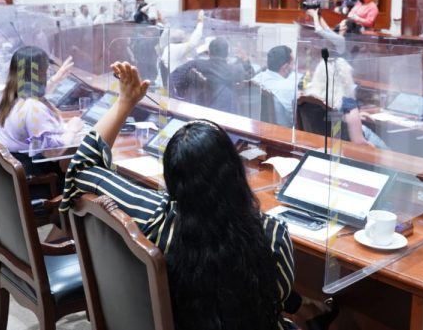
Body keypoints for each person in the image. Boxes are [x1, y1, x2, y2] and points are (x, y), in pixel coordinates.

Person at [59, 62, 298, 330]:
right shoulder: (273, 235)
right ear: (235, 172)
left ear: (171, 179)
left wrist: (125, 102)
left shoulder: (154, 217)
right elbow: (277, 299)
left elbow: (82, 167)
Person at [0, 46, 84, 189]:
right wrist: (72, 129)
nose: (48, 72)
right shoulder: (34, 109)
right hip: (40, 181)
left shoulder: (6, 96)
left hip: (12, 176)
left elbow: (31, 95)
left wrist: (56, 79)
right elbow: (52, 152)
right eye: (46, 69)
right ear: (40, 73)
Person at [305, 56, 388, 149]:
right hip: (343, 151)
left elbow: (326, 118)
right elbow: (360, 144)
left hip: (318, 147)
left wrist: (353, 117)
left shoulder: (309, 101)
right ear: (346, 78)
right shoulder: (348, 105)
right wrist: (373, 148)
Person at [170, 37, 253, 113]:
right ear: (227, 53)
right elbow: (250, 73)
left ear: (209, 52)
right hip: (227, 116)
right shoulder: (235, 69)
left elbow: (173, 78)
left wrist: (183, 94)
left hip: (199, 112)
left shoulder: (195, 64)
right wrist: (245, 58)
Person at [252, 45, 298, 127]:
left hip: (255, 129)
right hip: (281, 132)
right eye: (292, 63)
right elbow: (295, 121)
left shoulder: (255, 79)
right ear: (285, 67)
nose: (293, 67)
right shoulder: (288, 88)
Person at [159, 9, 205, 75]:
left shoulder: (169, 48)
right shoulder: (173, 48)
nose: (180, 30)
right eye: (175, 29)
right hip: (175, 79)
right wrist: (200, 22)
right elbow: (193, 43)